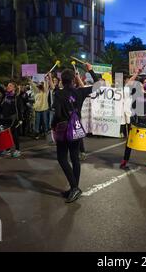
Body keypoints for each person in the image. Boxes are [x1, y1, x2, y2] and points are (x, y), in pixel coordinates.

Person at [51, 63, 100, 203]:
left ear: (62, 80)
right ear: (73, 79)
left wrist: (53, 125)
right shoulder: (80, 92)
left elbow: (58, 113)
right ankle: (74, 188)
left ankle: (74, 188)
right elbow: (99, 85)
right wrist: (90, 70)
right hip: (77, 128)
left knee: (62, 158)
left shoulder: (59, 93)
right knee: (75, 158)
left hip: (63, 129)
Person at [120, 69, 146, 171]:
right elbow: (128, 83)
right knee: (130, 141)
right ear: (141, 84)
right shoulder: (135, 91)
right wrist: (136, 73)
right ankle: (124, 161)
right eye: (145, 82)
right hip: (136, 119)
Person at [0, 79, 24, 157]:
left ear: (14, 88)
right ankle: (7, 150)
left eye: (10, 85)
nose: (8, 87)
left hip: (13, 119)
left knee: (14, 135)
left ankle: (17, 150)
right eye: (8, 85)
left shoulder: (17, 97)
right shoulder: (5, 95)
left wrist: (20, 119)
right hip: (4, 118)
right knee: (5, 135)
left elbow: (19, 109)